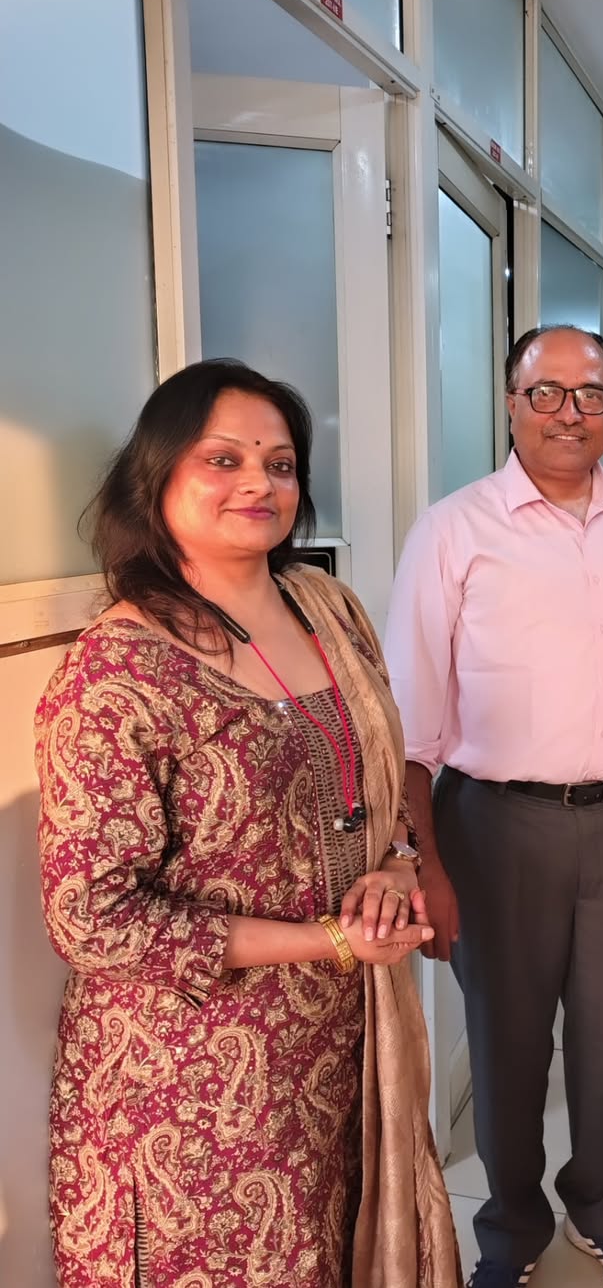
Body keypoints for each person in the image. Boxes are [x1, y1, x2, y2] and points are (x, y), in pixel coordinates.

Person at [35, 360, 462, 1288]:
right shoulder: (118, 672)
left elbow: (373, 788)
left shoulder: (327, 609)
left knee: (327, 1250)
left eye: (279, 462)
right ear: (158, 478)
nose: (258, 484)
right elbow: (90, 919)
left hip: (337, 1037)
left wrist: (396, 866)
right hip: (189, 1084)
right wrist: (327, 941)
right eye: (221, 459)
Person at [384, 326, 603, 1288]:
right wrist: (421, 859)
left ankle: (601, 1201)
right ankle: (512, 1228)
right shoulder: (454, 528)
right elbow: (412, 718)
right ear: (510, 404)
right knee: (508, 1039)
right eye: (545, 392)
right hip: (495, 826)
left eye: (590, 394)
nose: (568, 412)